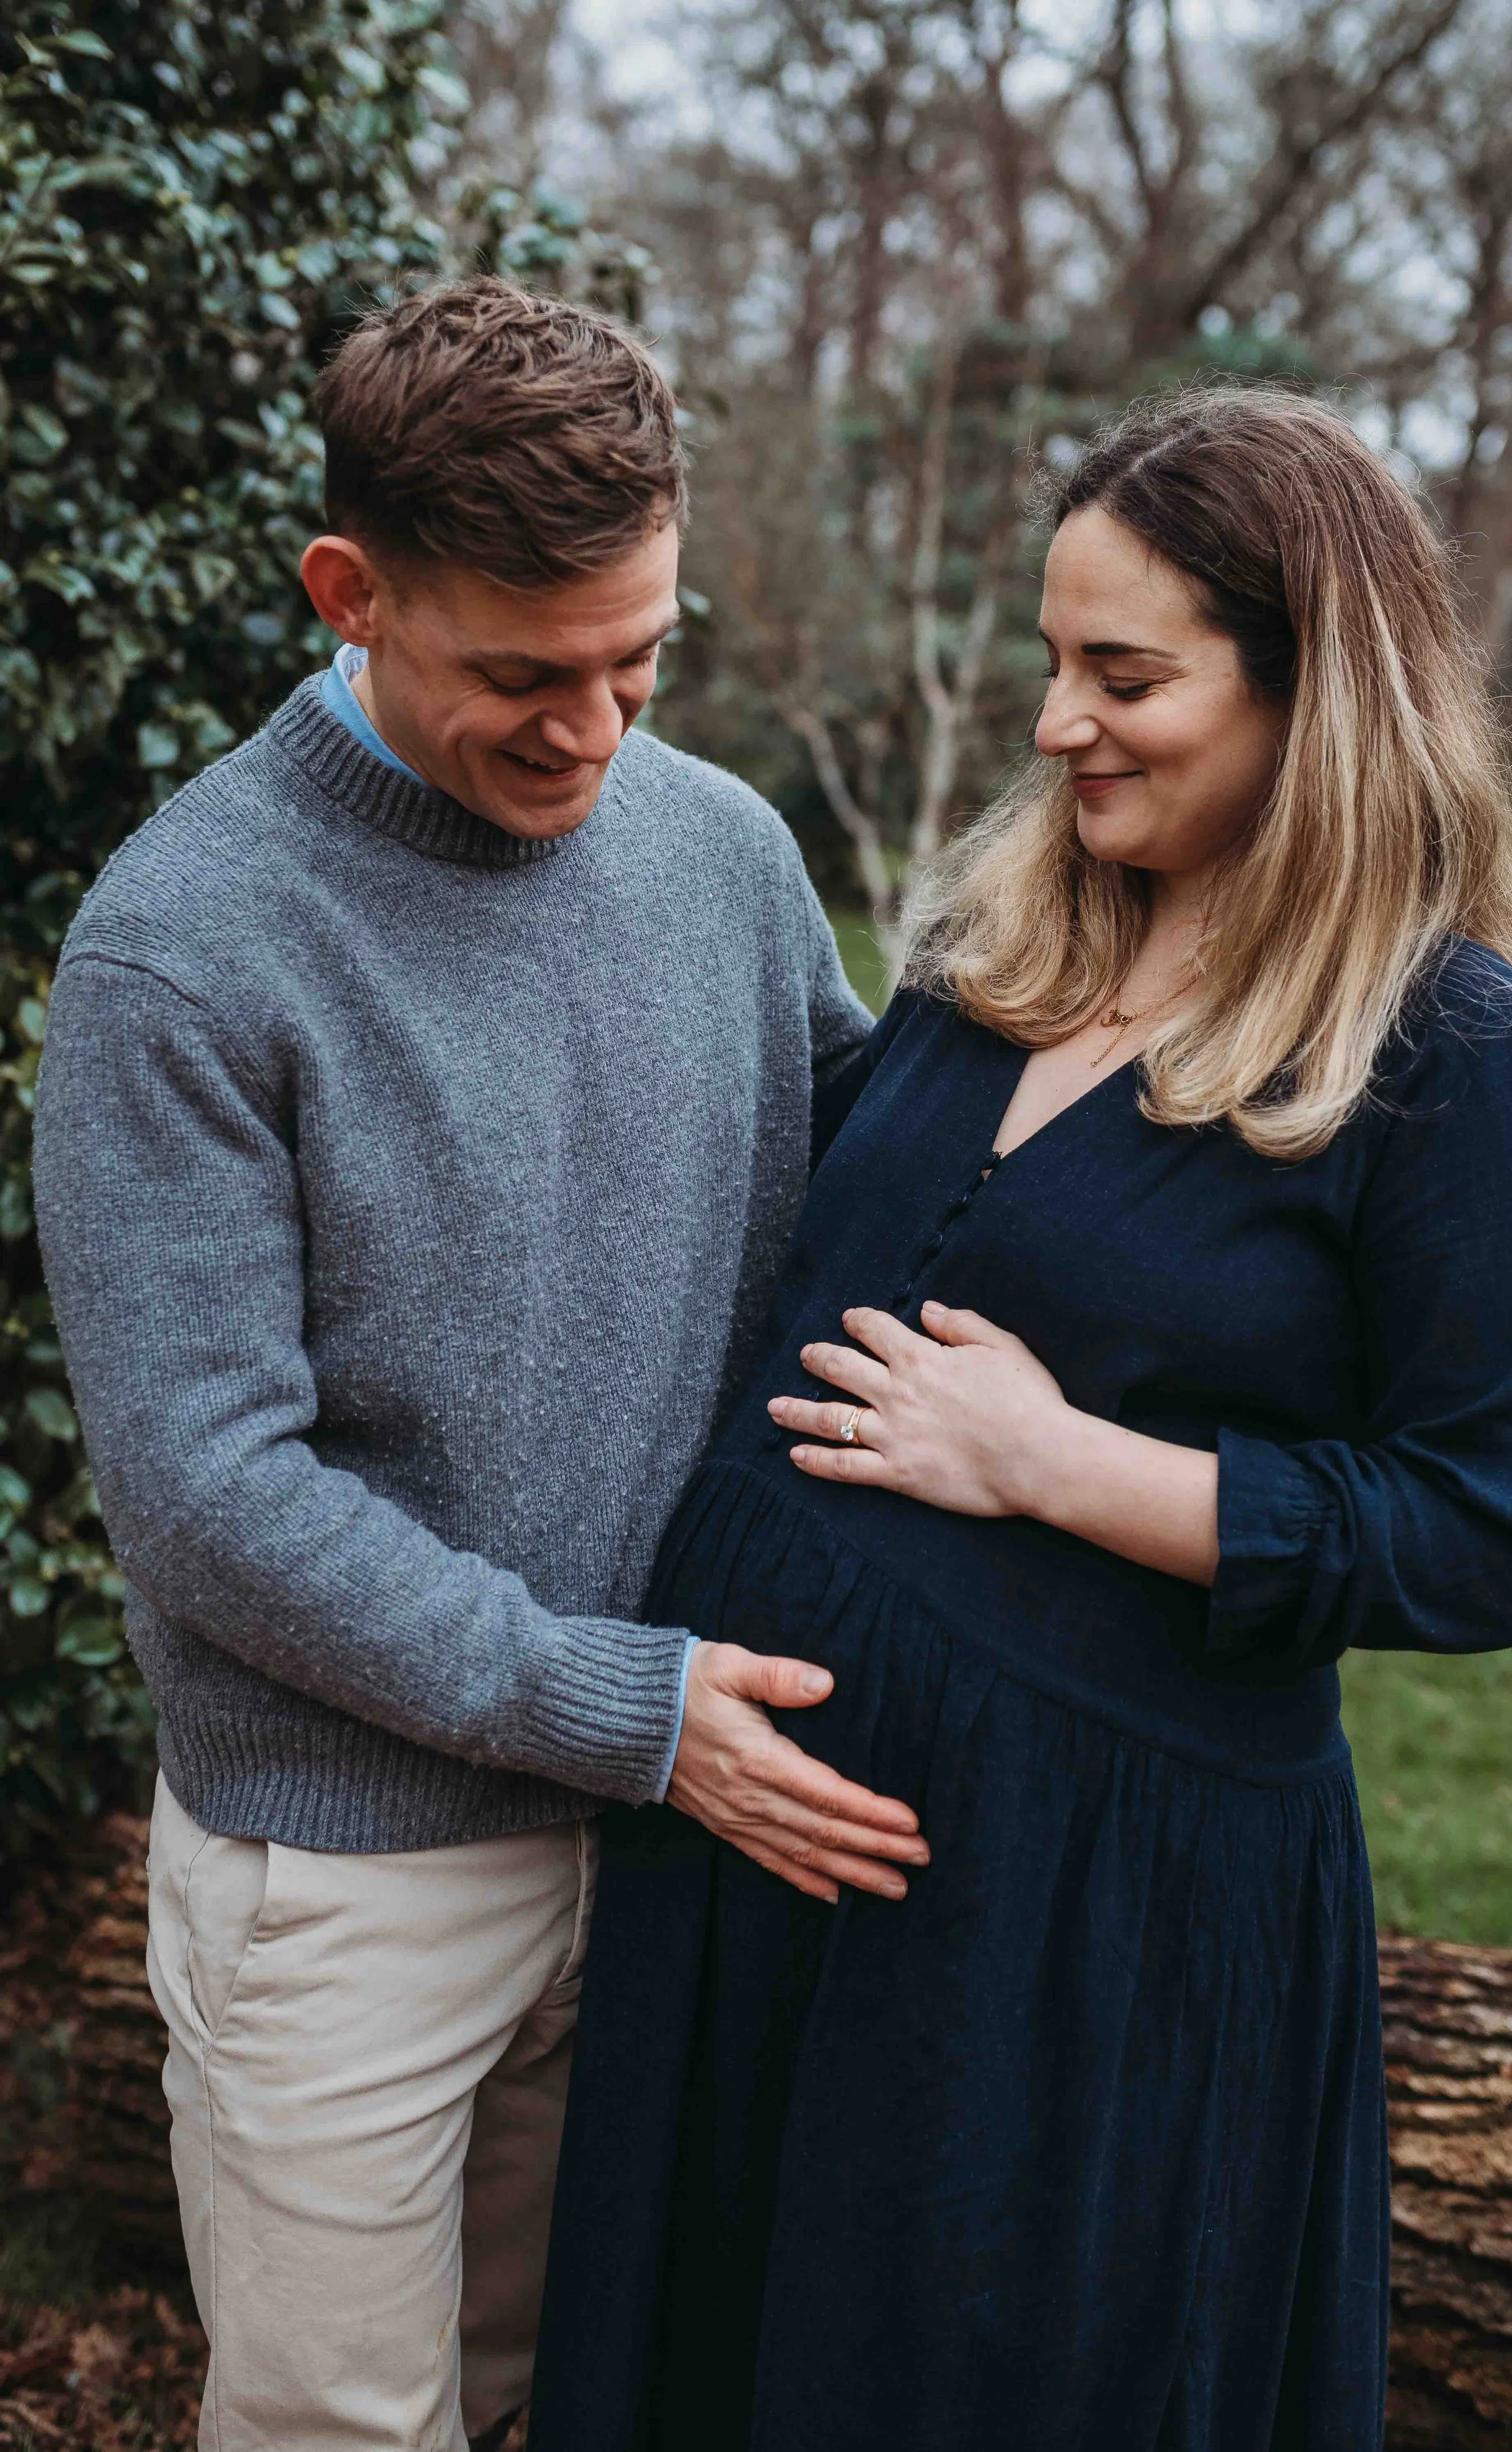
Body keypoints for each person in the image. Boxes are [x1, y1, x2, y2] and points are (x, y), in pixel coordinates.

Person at [529, 388, 1512, 2452]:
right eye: (1051, 662)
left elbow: (1486, 1533)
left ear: (1318, 694)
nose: (1056, 723)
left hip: (1066, 1926)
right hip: (754, 1865)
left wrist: (1052, 1463)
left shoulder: (1435, 1046)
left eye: (1125, 676)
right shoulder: (1000, 944)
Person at [31, 277, 931, 2452]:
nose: (595, 732)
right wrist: (625, 1711)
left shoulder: (721, 855)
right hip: (348, 1877)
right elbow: (206, 1494)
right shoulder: (186, 947)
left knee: (558, 2396)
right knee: (340, 2428)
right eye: (522, 676)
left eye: (642, 660)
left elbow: (875, 1217)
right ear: (351, 592)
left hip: (667, 1829)